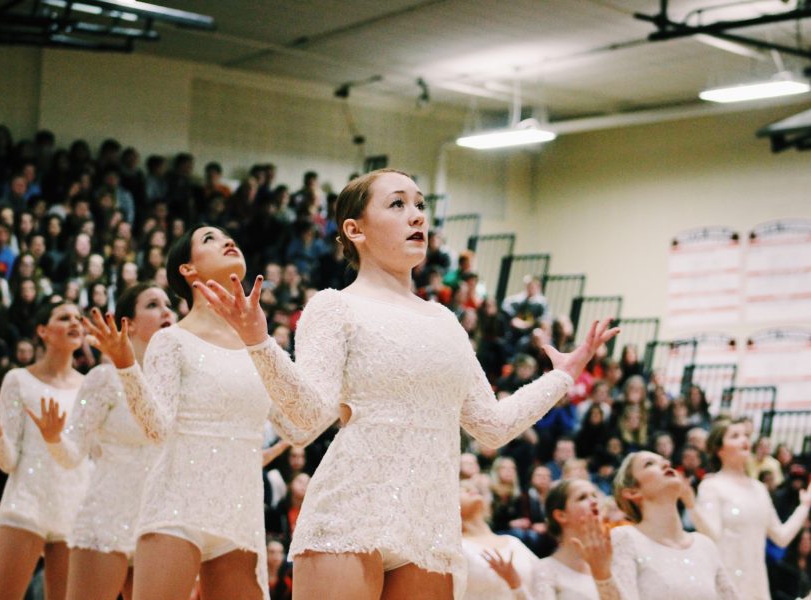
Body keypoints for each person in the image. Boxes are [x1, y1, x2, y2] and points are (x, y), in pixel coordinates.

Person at [197, 169, 619, 599]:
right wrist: (259, 342)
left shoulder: (445, 321)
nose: (416, 216)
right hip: (349, 513)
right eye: (398, 204)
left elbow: (491, 425)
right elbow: (306, 421)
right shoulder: (333, 306)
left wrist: (562, 376)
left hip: (429, 525)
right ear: (354, 229)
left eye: (420, 204)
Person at [85, 225, 315, 600]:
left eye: (228, 236)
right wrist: (127, 365)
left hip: (240, 514)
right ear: (188, 271)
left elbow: (299, 427)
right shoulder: (170, 340)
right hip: (176, 507)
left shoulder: (258, 343)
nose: (227, 240)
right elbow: (157, 429)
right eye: (209, 239)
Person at [25, 283, 176, 600]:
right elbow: (72, 454)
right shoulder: (104, 379)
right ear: (128, 324)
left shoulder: (179, 382)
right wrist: (53, 438)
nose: (166, 310)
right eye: (152, 304)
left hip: (159, 522)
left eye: (168, 303)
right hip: (108, 518)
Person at [0, 300, 91, 600]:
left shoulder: (88, 386)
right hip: (26, 502)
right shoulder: (18, 380)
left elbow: (85, 455)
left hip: (73, 506)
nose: (75, 323)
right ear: (42, 330)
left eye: (78, 318)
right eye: (64, 317)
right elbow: (8, 461)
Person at [691, 419, 811, 600]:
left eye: (746, 435)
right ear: (719, 449)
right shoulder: (711, 486)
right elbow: (711, 535)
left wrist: (804, 506)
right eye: (735, 436)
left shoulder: (759, 488)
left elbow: (781, 537)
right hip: (724, 584)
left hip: (756, 586)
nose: (744, 440)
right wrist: (690, 503)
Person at [610, 450, 739, 599]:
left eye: (665, 460)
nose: (666, 464)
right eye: (649, 464)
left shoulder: (705, 545)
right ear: (632, 492)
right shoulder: (625, 538)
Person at [533, 479, 616, 599]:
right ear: (561, 515)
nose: (594, 501)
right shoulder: (545, 569)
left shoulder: (614, 556)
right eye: (582, 497)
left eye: (594, 495)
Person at [460, 479, 540, 599]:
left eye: (472, 488)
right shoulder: (458, 547)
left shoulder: (513, 541)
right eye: (461, 489)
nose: (471, 490)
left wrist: (516, 586)